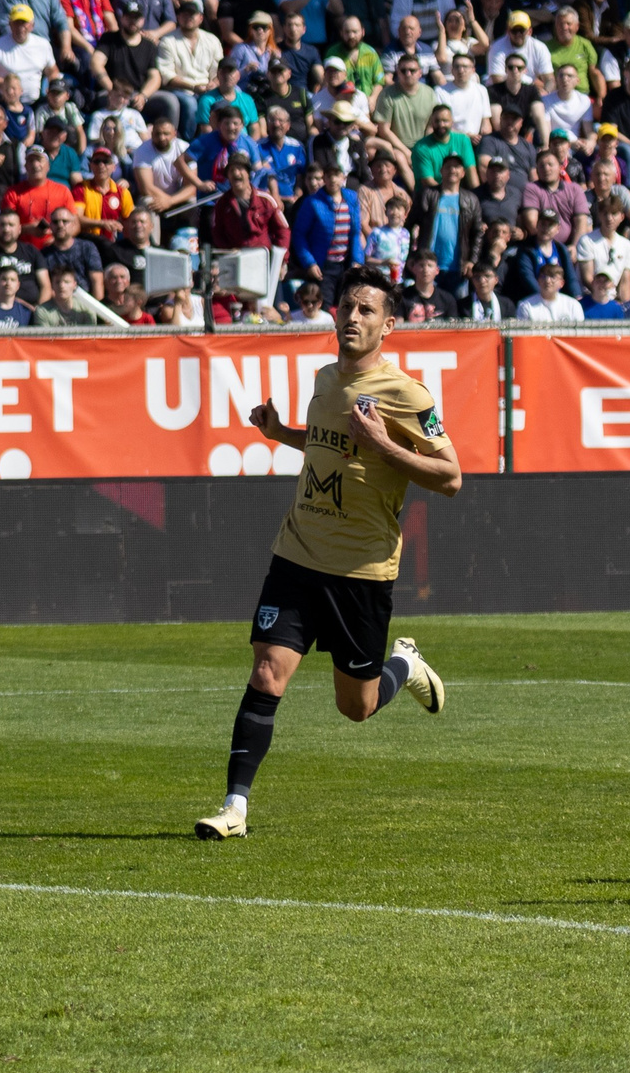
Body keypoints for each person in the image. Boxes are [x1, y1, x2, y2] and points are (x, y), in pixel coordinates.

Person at [196, 266, 458, 841]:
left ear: (389, 325)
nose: (353, 318)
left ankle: (405, 664)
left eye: (367, 311)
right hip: (297, 554)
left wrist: (384, 443)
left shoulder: (409, 396)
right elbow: (324, 443)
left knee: (357, 708)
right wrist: (279, 432)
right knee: (267, 673)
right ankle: (235, 807)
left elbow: (451, 476)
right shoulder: (322, 378)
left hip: (361, 571)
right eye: (347, 307)